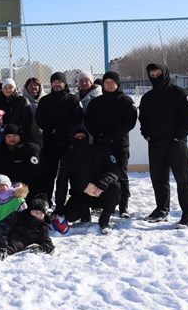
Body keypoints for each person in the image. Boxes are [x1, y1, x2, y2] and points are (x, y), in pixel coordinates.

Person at [138, 63, 188, 228]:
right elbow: (142, 119)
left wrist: (179, 136)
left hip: (175, 145)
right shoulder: (147, 98)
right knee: (158, 179)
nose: (155, 77)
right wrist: (147, 135)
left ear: (165, 74)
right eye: (152, 75)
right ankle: (161, 210)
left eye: (158, 74)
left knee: (183, 180)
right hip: (155, 145)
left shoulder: (179, 94)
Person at [84, 71, 138, 218]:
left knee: (121, 174)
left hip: (119, 144)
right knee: (99, 173)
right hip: (100, 144)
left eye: (112, 82)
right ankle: (99, 203)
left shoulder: (125, 101)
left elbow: (129, 122)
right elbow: (88, 121)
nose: (109, 85)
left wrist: (111, 136)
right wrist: (100, 135)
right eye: (106, 82)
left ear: (117, 84)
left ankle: (123, 205)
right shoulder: (96, 102)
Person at [52, 126, 121, 234]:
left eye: (83, 136)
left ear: (87, 137)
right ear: (72, 139)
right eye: (77, 137)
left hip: (101, 191)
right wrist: (59, 207)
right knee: (70, 215)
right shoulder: (66, 157)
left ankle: (104, 219)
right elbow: (62, 183)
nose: (80, 139)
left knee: (115, 190)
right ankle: (85, 213)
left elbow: (115, 169)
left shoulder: (101, 150)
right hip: (81, 195)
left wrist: (106, 180)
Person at [35, 72, 83, 204]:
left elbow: (77, 118)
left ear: (64, 83)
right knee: (49, 173)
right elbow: (39, 118)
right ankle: (47, 199)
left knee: (70, 173)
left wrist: (62, 128)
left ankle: (74, 200)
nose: (57, 84)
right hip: (49, 142)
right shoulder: (45, 100)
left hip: (68, 143)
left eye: (59, 81)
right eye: (54, 81)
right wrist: (51, 128)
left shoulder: (72, 99)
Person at [0, 124, 44, 196]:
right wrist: (4, 179)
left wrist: (13, 178)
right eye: (9, 136)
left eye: (14, 136)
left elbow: (33, 169)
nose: (12, 139)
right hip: (3, 185)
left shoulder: (31, 148)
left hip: (27, 186)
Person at [0, 79, 35, 143]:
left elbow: (28, 118)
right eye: (5, 87)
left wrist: (15, 129)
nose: (8, 90)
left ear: (14, 88)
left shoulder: (22, 100)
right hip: (5, 135)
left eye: (10, 87)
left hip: (22, 134)